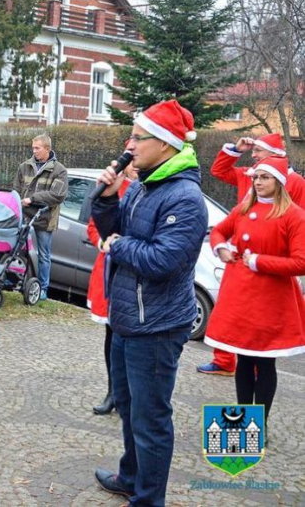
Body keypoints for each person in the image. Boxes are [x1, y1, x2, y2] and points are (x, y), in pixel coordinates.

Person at [91, 99, 208, 506]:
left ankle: (148, 499)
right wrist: (107, 197)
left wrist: (119, 246)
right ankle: (130, 477)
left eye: (140, 138)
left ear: (166, 144)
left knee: (151, 418)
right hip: (127, 318)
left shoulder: (185, 197)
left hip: (156, 326)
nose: (131, 144)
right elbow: (113, 228)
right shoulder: (143, 183)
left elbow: (162, 261)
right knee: (127, 405)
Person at [204, 156, 305, 429]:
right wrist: (221, 249)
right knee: (244, 360)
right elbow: (218, 233)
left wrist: (259, 261)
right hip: (240, 297)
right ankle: (242, 420)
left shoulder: (293, 215)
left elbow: (301, 262)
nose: (258, 182)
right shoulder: (244, 208)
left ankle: (258, 424)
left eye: (265, 177)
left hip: (270, 301)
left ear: (279, 181)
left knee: (264, 363)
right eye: (255, 177)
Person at [86, 156, 138, 416]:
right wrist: (102, 243)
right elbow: (93, 227)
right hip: (110, 269)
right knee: (111, 336)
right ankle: (113, 391)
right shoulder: (115, 187)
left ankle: (131, 395)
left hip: (138, 273)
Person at [12, 134, 68, 301]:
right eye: (33, 148)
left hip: (45, 217)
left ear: (47, 149)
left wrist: (33, 199)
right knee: (19, 250)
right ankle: (20, 282)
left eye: (37, 148)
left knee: (44, 255)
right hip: (25, 216)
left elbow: (57, 195)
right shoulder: (24, 166)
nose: (34, 151)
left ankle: (43, 289)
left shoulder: (59, 170)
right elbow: (16, 189)